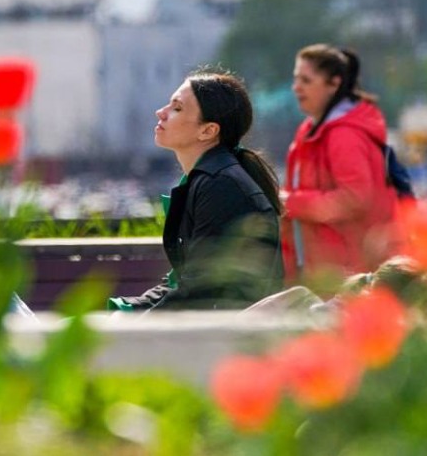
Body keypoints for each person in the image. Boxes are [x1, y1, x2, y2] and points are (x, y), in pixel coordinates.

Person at [109, 71, 283, 311]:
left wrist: (135, 321)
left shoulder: (221, 186)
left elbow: (199, 290)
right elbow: (184, 281)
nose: (161, 112)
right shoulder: (209, 178)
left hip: (226, 336)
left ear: (208, 131)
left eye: (177, 108)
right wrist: (127, 308)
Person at [282, 44, 398, 291]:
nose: (296, 88)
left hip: (350, 271)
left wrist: (290, 202)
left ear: (333, 84)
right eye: (295, 79)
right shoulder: (312, 128)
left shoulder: (344, 135)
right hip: (328, 269)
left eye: (306, 80)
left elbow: (354, 198)